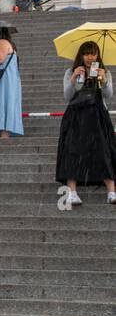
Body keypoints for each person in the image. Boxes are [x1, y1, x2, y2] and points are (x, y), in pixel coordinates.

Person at [57, 41, 116, 206]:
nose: (90, 57)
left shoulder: (104, 72)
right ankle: (71, 192)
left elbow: (108, 95)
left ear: (98, 55)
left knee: (104, 150)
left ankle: (111, 191)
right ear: (81, 55)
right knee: (72, 150)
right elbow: (67, 96)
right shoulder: (71, 71)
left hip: (98, 115)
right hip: (76, 116)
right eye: (87, 53)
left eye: (93, 53)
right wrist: (74, 78)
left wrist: (103, 80)